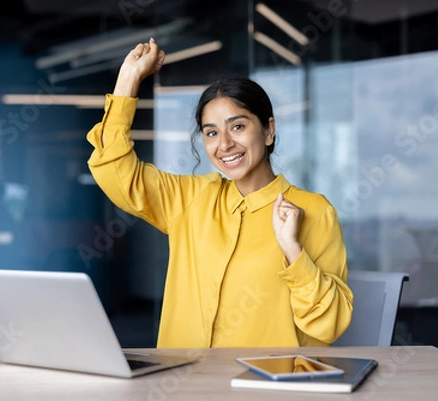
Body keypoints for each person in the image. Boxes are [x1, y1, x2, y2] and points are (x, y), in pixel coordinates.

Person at [86, 38, 353, 348]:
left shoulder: (315, 212)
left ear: (268, 130)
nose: (224, 144)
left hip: (265, 389)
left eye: (237, 127)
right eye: (211, 132)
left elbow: (330, 324)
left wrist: (293, 250)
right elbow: (114, 170)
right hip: (184, 385)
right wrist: (129, 78)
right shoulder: (190, 198)